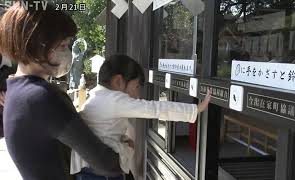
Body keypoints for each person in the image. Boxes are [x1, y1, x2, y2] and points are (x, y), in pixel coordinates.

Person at [0, 2, 121, 180]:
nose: (68, 52)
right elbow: (105, 163)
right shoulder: (43, 96)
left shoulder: (15, 90)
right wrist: (125, 152)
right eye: (63, 46)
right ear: (37, 45)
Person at [70, 55, 211, 180]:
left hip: (87, 170)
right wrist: (196, 109)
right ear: (118, 81)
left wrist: (125, 143)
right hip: (100, 174)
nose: (138, 95)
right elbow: (154, 109)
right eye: (136, 86)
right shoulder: (114, 99)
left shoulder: (96, 96)